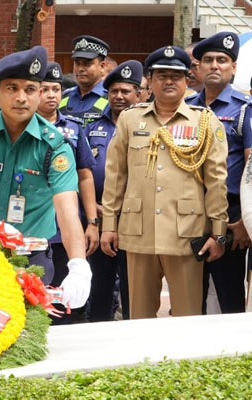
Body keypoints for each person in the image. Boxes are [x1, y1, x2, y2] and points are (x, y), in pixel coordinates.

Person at [0, 46, 91, 307]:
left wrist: (79, 265)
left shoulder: (54, 145)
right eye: (12, 88)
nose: (21, 97)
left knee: (27, 335)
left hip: (30, 258)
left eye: (30, 89)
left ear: (39, 93)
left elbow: (67, 210)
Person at [100, 45, 228, 320]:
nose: (169, 81)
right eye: (161, 75)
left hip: (186, 233)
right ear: (149, 80)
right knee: (139, 317)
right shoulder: (130, 119)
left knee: (187, 317)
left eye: (176, 76)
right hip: (138, 232)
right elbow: (115, 176)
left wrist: (218, 233)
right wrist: (109, 225)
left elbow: (216, 181)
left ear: (187, 81)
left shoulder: (204, 122)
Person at [188, 32, 252, 314]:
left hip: (231, 218)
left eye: (222, 60)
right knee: (189, 297)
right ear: (198, 68)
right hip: (188, 213)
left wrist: (244, 220)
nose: (215, 65)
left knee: (230, 299)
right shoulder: (185, 107)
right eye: (208, 60)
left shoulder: (245, 110)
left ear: (234, 68)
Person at [85, 60, 144, 321]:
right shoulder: (92, 126)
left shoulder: (147, 127)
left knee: (134, 284)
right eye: (114, 91)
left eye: (126, 91)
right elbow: (83, 171)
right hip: (99, 215)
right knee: (100, 283)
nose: (119, 96)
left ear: (139, 94)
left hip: (135, 217)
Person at [37, 62, 98, 299]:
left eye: (56, 89)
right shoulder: (23, 129)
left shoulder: (73, 128)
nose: (51, 95)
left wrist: (92, 222)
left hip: (67, 226)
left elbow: (85, 176)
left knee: (68, 294)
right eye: (45, 89)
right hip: (35, 224)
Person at [60, 35, 110, 126]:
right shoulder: (64, 97)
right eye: (77, 63)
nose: (80, 68)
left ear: (102, 66)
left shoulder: (111, 98)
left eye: (87, 63)